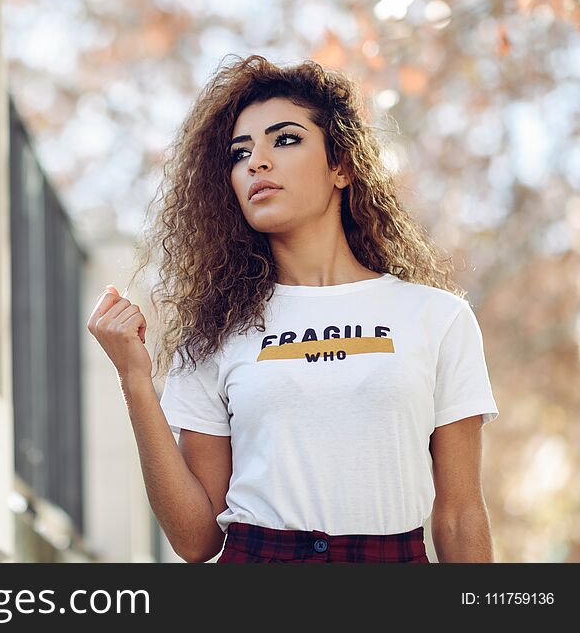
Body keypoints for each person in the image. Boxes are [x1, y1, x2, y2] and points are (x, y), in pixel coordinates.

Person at [86, 55, 499, 563]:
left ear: (341, 166)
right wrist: (133, 378)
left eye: (284, 140)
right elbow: (196, 540)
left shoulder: (437, 318)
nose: (257, 162)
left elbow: (459, 516)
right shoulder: (215, 334)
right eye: (241, 153)